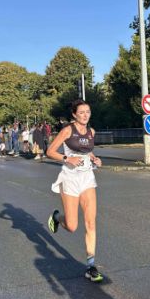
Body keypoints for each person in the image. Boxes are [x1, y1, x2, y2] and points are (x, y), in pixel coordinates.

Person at [46, 100, 104, 283]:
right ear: (74, 114)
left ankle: (91, 266)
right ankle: (57, 217)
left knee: (91, 223)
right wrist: (66, 158)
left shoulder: (91, 131)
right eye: (81, 112)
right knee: (72, 226)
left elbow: (87, 152)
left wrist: (95, 159)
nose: (85, 115)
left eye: (88, 112)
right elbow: (50, 151)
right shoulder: (67, 131)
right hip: (70, 178)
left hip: (87, 178)